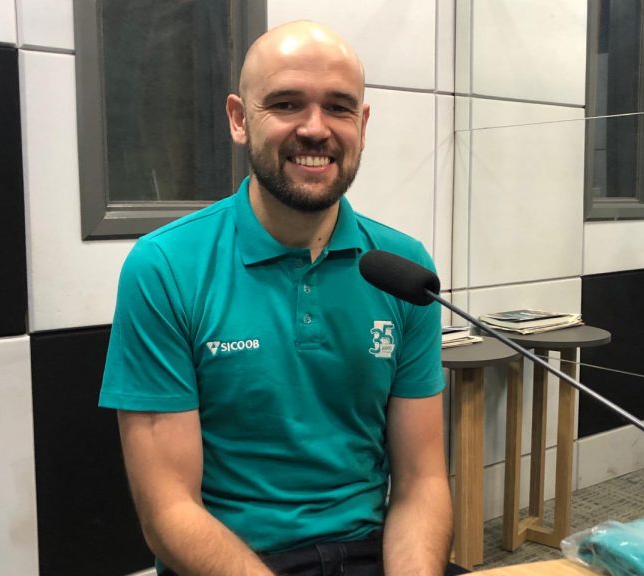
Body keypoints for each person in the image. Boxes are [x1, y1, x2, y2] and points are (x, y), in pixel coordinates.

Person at [100, 20, 461, 576]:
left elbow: (420, 484)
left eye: (339, 107)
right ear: (239, 119)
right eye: (287, 104)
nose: (315, 129)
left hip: (370, 554)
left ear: (363, 125)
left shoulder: (403, 270)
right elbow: (169, 510)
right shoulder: (165, 268)